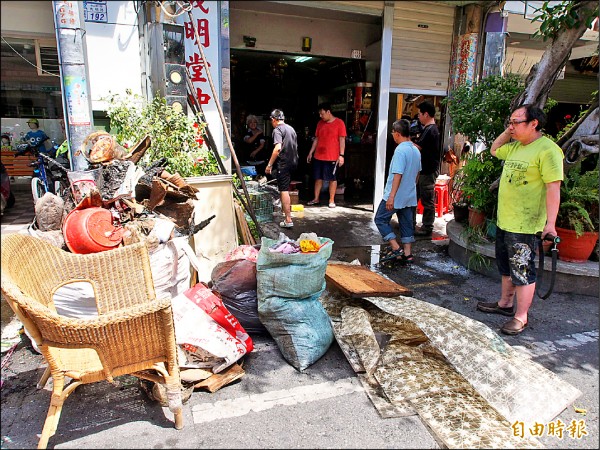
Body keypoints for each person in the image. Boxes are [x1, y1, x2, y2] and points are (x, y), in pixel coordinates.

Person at [476, 104, 563, 335]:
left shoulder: (548, 150)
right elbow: (494, 149)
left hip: (526, 224)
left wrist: (550, 224)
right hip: (505, 220)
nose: (511, 126)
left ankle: (521, 316)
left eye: (516, 122)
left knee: (522, 270)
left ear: (534, 124)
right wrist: (509, 131)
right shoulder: (514, 147)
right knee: (506, 267)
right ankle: (505, 304)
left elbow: (553, 188)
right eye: (510, 122)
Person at [374, 119, 421, 265]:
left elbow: (397, 174)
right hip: (409, 194)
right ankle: (407, 254)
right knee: (406, 223)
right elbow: (417, 174)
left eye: (393, 132)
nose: (392, 135)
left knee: (380, 219)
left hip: (396, 194)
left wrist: (391, 197)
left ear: (398, 133)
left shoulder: (400, 150)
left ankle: (395, 248)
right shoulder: (415, 149)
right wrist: (411, 187)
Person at [306, 102, 347, 208]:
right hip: (318, 156)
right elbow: (317, 138)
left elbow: (342, 140)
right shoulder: (320, 123)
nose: (321, 116)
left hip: (332, 156)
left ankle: (331, 200)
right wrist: (311, 152)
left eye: (322, 113)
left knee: (332, 179)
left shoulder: (339, 123)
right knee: (318, 178)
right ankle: (316, 199)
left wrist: (341, 155)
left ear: (328, 112)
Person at [265, 109, 299, 228]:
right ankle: (286, 215)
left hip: (284, 163)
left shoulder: (277, 130)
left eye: (271, 121)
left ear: (274, 120)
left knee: (283, 189)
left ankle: (288, 220)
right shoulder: (291, 129)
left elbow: (278, 148)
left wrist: (269, 165)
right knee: (285, 187)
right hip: (293, 162)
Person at [413, 101, 441, 236]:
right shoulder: (428, 129)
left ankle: (427, 227)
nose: (418, 116)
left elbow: (418, 147)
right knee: (419, 196)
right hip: (424, 170)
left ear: (426, 114)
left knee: (427, 200)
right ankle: (422, 225)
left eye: (420, 114)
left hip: (428, 171)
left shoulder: (431, 130)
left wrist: (406, 141)